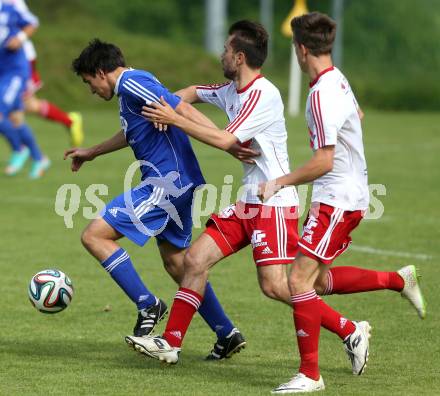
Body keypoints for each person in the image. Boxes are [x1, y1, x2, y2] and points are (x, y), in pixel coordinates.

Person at [127, 20, 371, 373]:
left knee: (275, 286)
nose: (221, 54)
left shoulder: (264, 94)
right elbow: (194, 92)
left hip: (274, 203)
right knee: (195, 260)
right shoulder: (231, 90)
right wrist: (160, 104)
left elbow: (227, 140)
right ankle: (171, 343)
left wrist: (174, 119)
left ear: (239, 57)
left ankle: (349, 330)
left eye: (226, 49)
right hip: (250, 201)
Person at [255, 12, 426, 393]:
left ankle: (311, 374)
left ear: (300, 50)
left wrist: (279, 182)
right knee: (313, 280)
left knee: (297, 280)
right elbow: (358, 115)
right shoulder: (337, 78)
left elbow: (324, 161)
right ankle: (398, 281)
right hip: (342, 196)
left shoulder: (319, 93)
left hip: (338, 199)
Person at [66, 39, 244, 359]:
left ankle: (148, 304)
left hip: (166, 182)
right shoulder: (132, 88)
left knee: (95, 235)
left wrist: (228, 142)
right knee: (178, 264)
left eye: (88, 81)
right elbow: (133, 130)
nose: (90, 89)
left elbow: (181, 107)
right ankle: (226, 332)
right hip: (177, 182)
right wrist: (92, 152)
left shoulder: (133, 83)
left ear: (101, 72)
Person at [6, 0, 84, 148]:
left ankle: (26, 152)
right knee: (22, 104)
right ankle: (25, 151)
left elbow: (31, 22)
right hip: (5, 62)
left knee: (16, 103)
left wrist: (19, 39)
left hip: (19, 60)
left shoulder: (11, 2)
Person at [0, 0, 50, 178]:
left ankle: (19, 149)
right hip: (1, 73)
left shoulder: (9, 7)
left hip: (14, 71)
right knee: (15, 118)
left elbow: (32, 22)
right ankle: (39, 158)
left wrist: (19, 38)